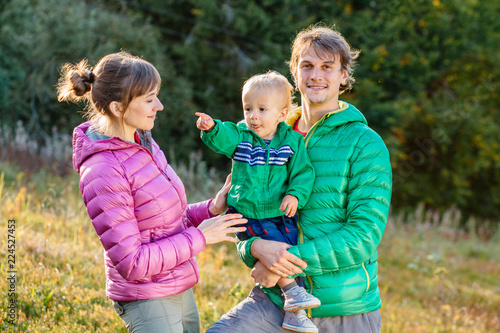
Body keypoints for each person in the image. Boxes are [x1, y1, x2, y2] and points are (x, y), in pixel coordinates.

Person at [207, 24, 393, 333]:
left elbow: (363, 237)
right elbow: (247, 215)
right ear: (295, 74)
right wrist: (251, 249)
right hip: (276, 299)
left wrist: (280, 261)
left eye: (327, 67)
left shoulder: (365, 143)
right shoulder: (261, 135)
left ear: (344, 75)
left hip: (343, 308)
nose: (316, 75)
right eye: (307, 66)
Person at [57, 51, 247, 333]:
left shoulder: (142, 142)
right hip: (146, 298)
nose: (159, 105)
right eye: (149, 99)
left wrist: (211, 209)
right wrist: (201, 236)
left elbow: (164, 222)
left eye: (156, 95)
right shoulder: (102, 171)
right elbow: (132, 263)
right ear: (118, 108)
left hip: (177, 285)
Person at [196, 71, 318, 332]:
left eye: (262, 109)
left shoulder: (292, 142)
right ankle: (293, 294)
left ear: (282, 114)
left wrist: (295, 194)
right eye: (248, 108)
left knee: (284, 250)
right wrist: (212, 128)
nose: (253, 116)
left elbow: (303, 173)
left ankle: (295, 313)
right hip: (247, 213)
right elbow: (224, 137)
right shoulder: (242, 137)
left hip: (278, 212)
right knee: (273, 252)